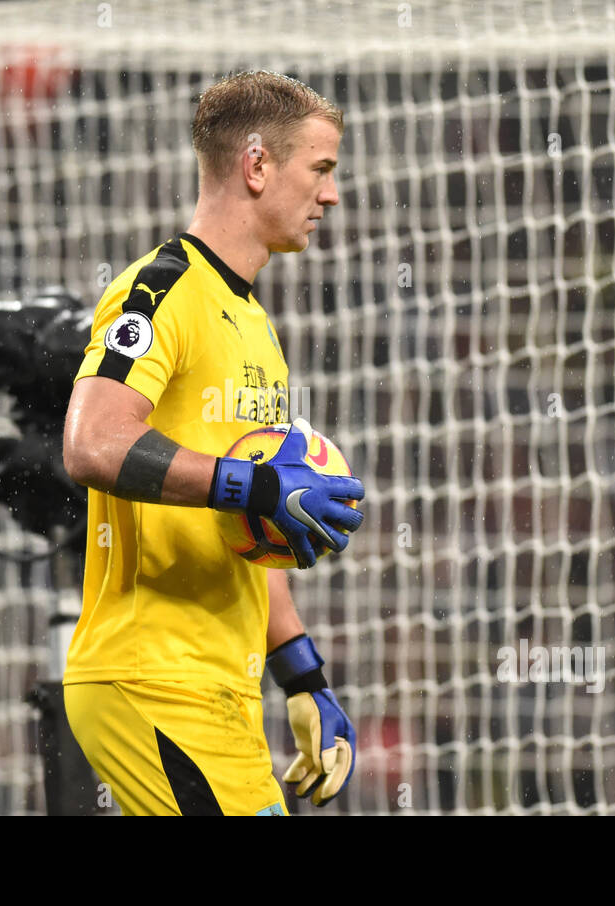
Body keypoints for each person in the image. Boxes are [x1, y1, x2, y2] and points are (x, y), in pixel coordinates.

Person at [61, 71, 366, 816]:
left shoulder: (257, 326)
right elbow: (92, 442)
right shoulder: (162, 290)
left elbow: (249, 536)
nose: (331, 196)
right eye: (320, 170)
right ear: (257, 166)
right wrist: (256, 484)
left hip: (219, 692)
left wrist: (303, 677)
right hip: (149, 679)